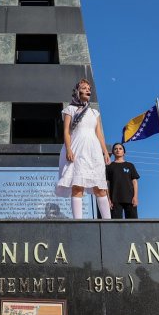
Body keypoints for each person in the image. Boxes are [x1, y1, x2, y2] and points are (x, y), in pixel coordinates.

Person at [55, 79, 111, 219]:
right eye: (84, 88)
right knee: (77, 185)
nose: (88, 90)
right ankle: (78, 222)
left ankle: (108, 221)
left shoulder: (94, 112)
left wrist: (105, 151)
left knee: (100, 188)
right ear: (77, 91)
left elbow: (99, 134)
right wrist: (68, 149)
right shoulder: (70, 109)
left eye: (89, 88)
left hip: (93, 151)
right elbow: (67, 132)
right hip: (77, 149)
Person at [105, 143, 140, 219]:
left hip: (130, 199)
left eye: (120, 148)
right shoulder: (109, 167)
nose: (118, 150)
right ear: (113, 152)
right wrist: (108, 199)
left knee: (133, 223)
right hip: (115, 199)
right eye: (115, 149)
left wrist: (135, 197)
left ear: (124, 152)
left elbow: (134, 182)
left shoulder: (130, 165)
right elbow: (107, 184)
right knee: (116, 224)